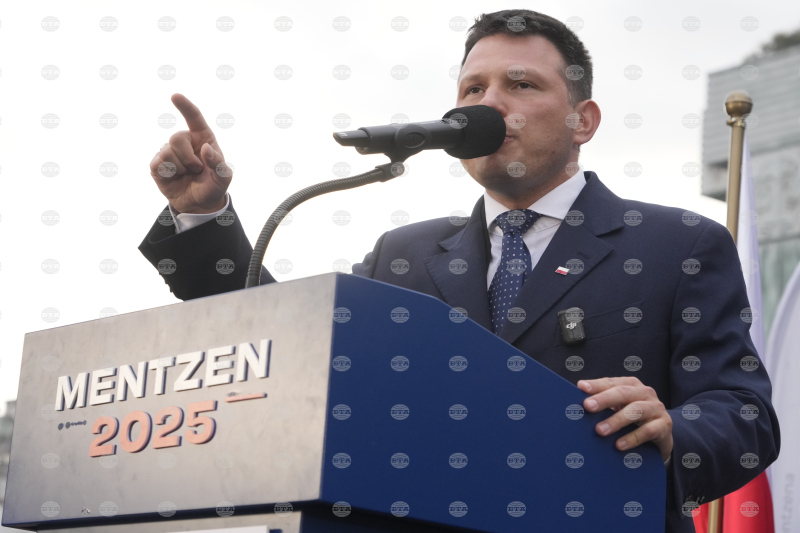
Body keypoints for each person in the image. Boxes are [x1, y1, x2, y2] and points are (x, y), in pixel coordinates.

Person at [139, 10, 779, 532]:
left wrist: (673, 431)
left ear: (583, 121)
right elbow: (284, 345)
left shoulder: (678, 243)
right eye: (473, 90)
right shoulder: (402, 254)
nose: (489, 103)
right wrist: (204, 217)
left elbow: (744, 412)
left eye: (520, 85)